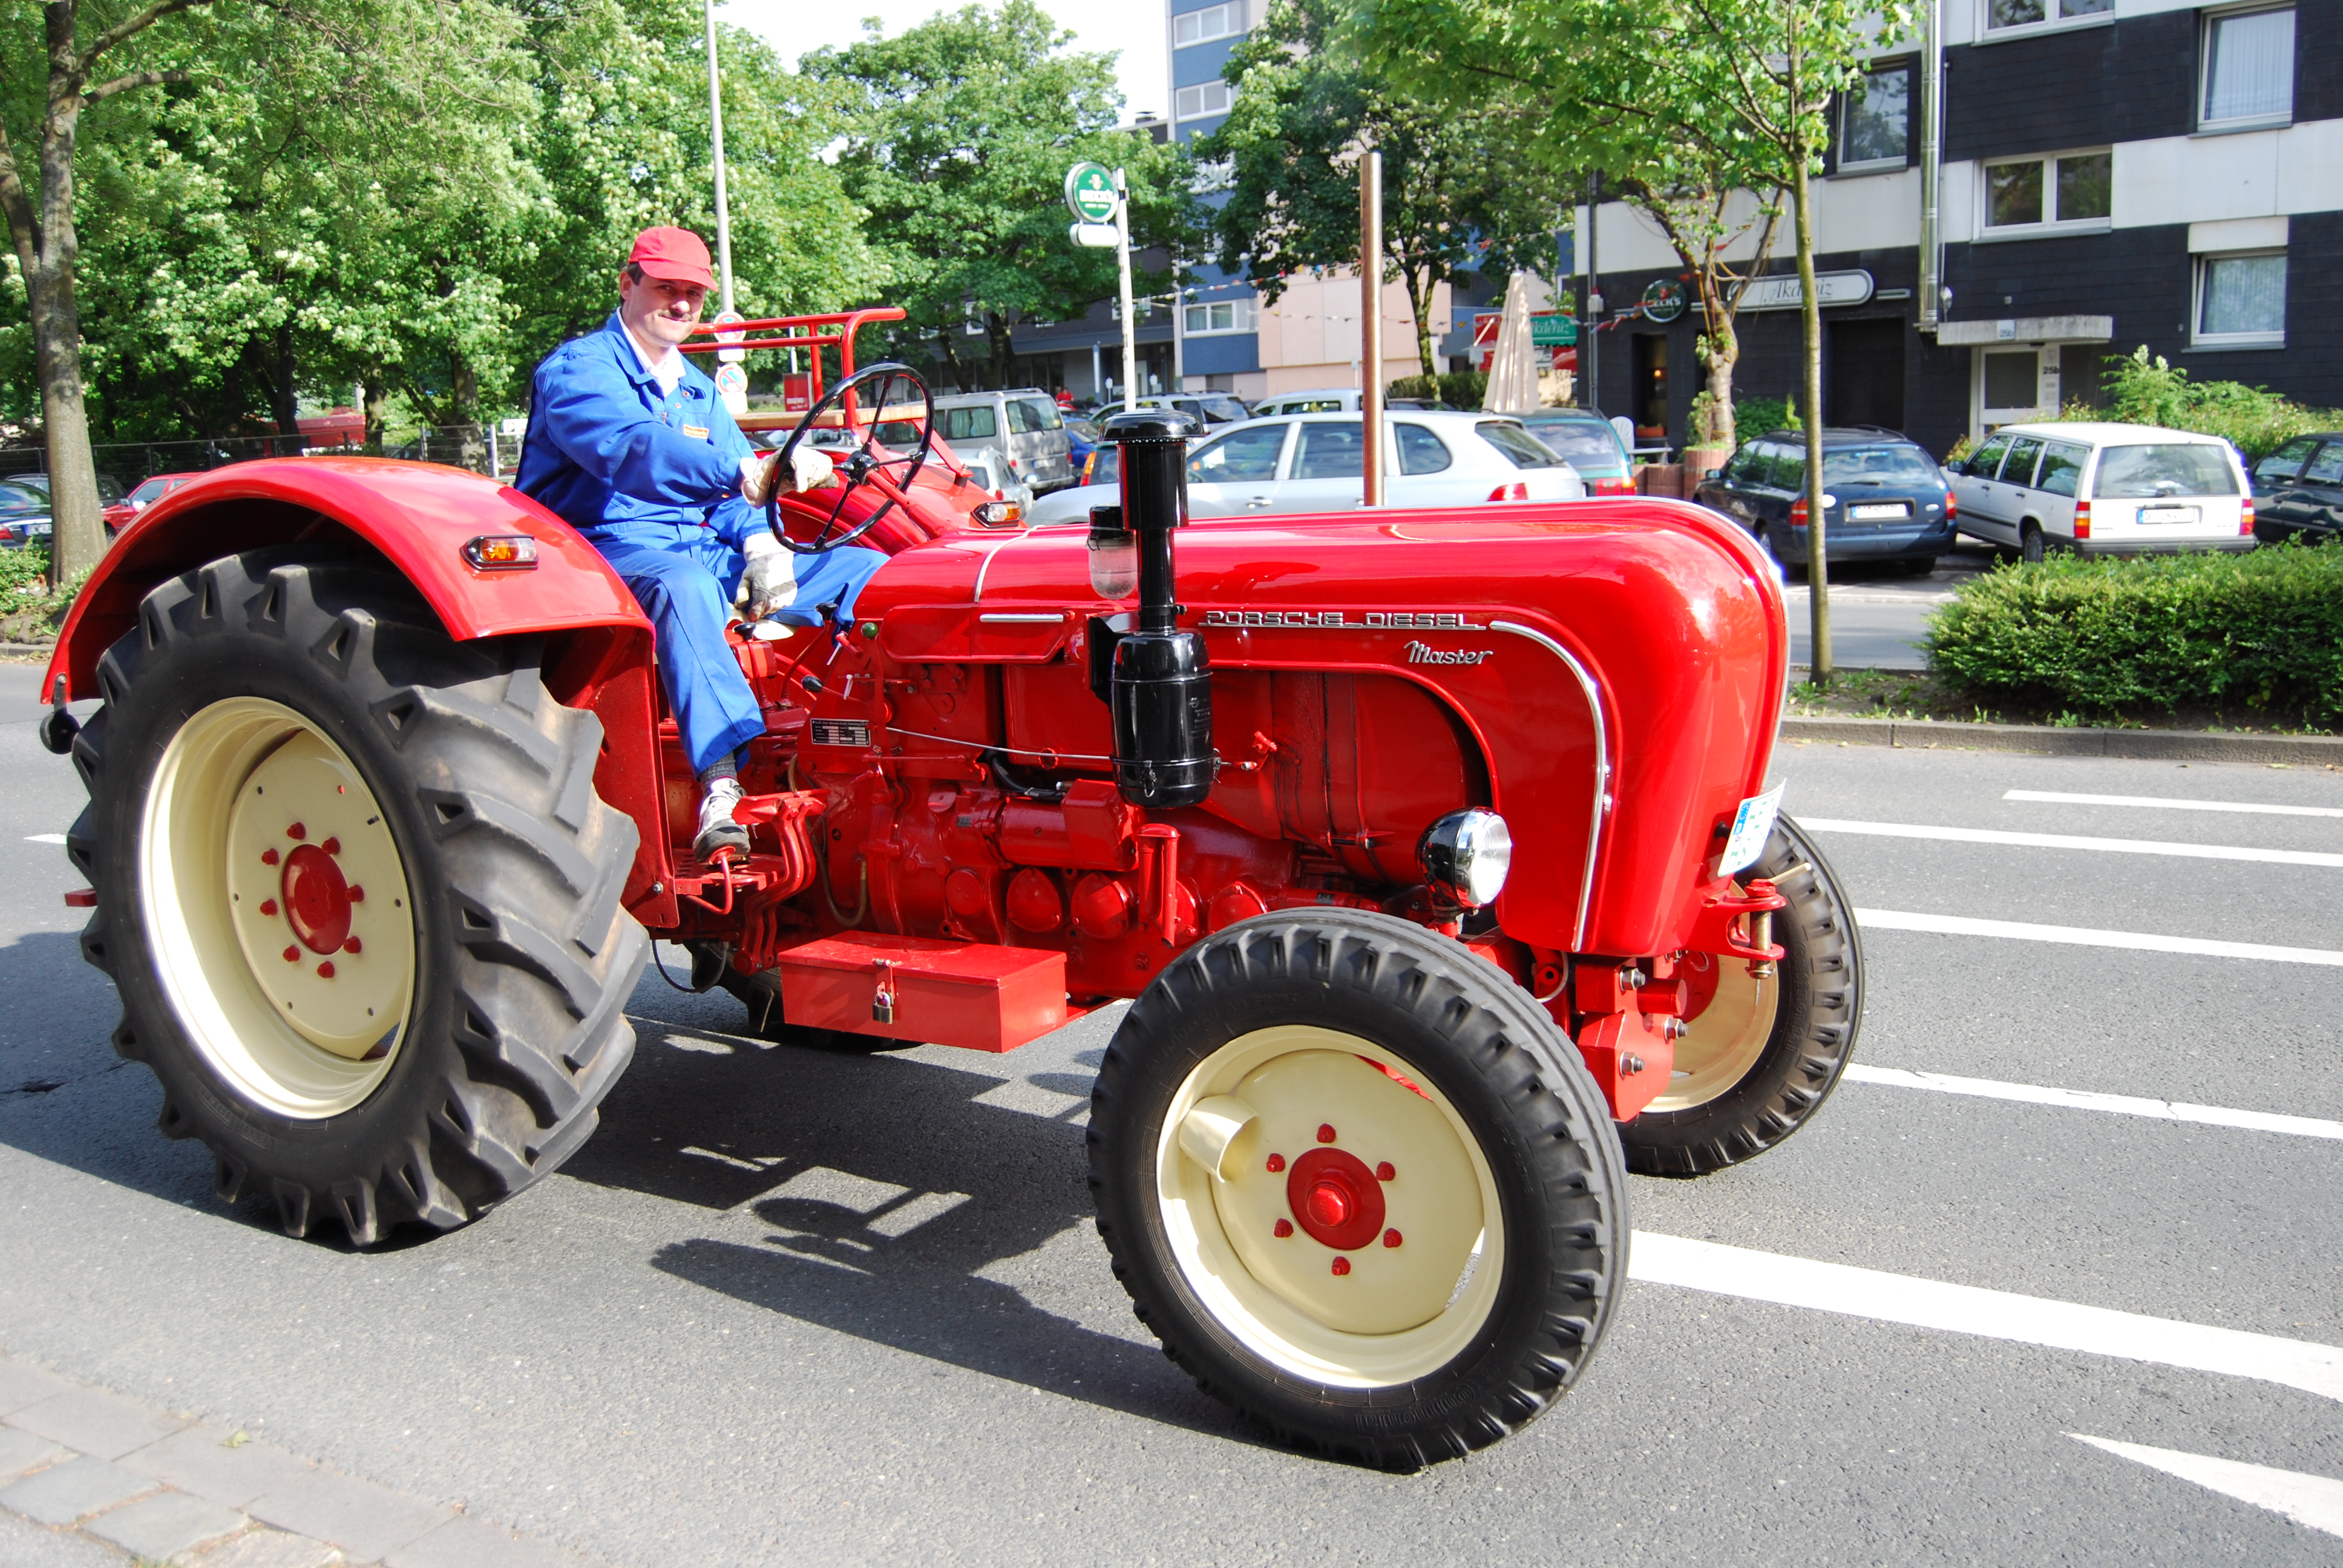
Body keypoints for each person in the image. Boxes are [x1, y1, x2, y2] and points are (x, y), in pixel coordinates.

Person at [516, 226, 886, 862]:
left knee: (867, 571)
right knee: (681, 587)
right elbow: (634, 450)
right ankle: (721, 783)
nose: (682, 304)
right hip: (602, 554)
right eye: (666, 288)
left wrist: (762, 545)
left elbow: (734, 496)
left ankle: (867, 740)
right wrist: (740, 475)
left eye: (693, 292)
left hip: (697, 550)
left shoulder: (695, 387)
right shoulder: (579, 370)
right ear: (628, 285)